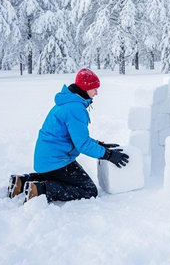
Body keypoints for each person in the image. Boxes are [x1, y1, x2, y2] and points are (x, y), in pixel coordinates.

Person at [7, 68, 129, 203]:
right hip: (57, 161)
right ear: (85, 88)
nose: (96, 92)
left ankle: (21, 181)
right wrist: (109, 155)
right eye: (94, 88)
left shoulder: (68, 102)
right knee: (88, 190)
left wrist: (98, 144)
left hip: (46, 160)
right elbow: (82, 144)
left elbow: (76, 138)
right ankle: (39, 189)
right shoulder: (75, 108)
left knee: (59, 177)